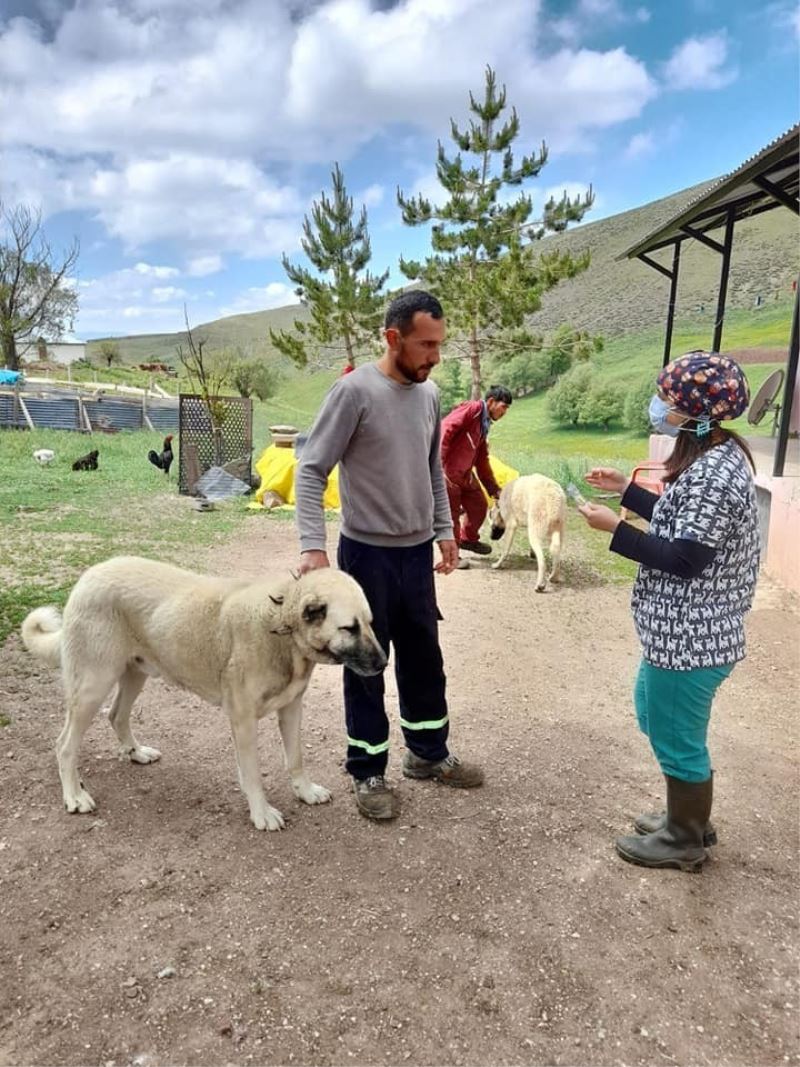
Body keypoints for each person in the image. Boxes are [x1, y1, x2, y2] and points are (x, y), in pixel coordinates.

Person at [294, 290, 485, 821]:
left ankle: (427, 754)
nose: (435, 356)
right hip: (366, 558)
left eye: (440, 344)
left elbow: (430, 470)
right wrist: (312, 547)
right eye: (426, 344)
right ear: (393, 337)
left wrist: (445, 529)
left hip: (415, 556)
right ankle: (367, 769)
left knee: (426, 658)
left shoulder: (429, 396)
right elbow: (311, 469)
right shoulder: (353, 393)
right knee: (365, 664)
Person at [576, 351, 759, 872]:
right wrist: (627, 490)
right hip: (678, 636)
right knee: (654, 716)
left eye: (669, 399)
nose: (660, 406)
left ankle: (685, 837)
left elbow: (684, 557)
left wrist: (616, 529)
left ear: (695, 412)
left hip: (692, 640)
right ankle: (689, 816)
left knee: (675, 736)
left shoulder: (712, 475)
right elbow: (686, 525)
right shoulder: (711, 458)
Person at [441, 385, 512, 567]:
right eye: (503, 407)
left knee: (479, 504)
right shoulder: (472, 410)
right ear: (491, 402)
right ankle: (452, 556)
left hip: (465, 473)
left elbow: (481, 459)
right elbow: (445, 429)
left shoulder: (483, 425)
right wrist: (437, 466)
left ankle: (468, 539)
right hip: (447, 471)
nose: (505, 412)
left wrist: (494, 489)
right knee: (452, 514)